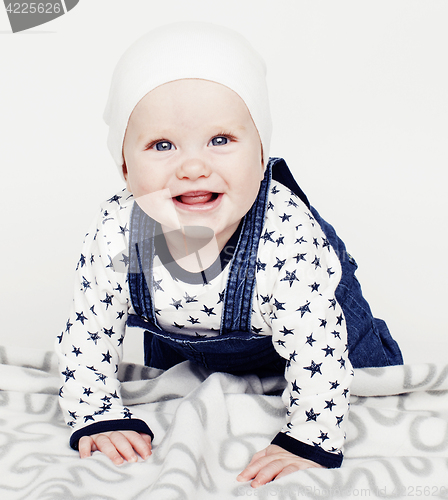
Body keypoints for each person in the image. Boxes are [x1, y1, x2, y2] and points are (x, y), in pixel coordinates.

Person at [55, 22, 403, 488]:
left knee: (377, 395)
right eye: (162, 145)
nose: (193, 166)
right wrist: (96, 414)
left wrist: (308, 436)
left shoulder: (285, 234)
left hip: (318, 333)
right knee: (176, 387)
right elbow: (89, 329)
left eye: (220, 140)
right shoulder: (121, 231)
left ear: (261, 156)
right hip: (190, 337)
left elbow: (316, 344)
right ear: (124, 167)